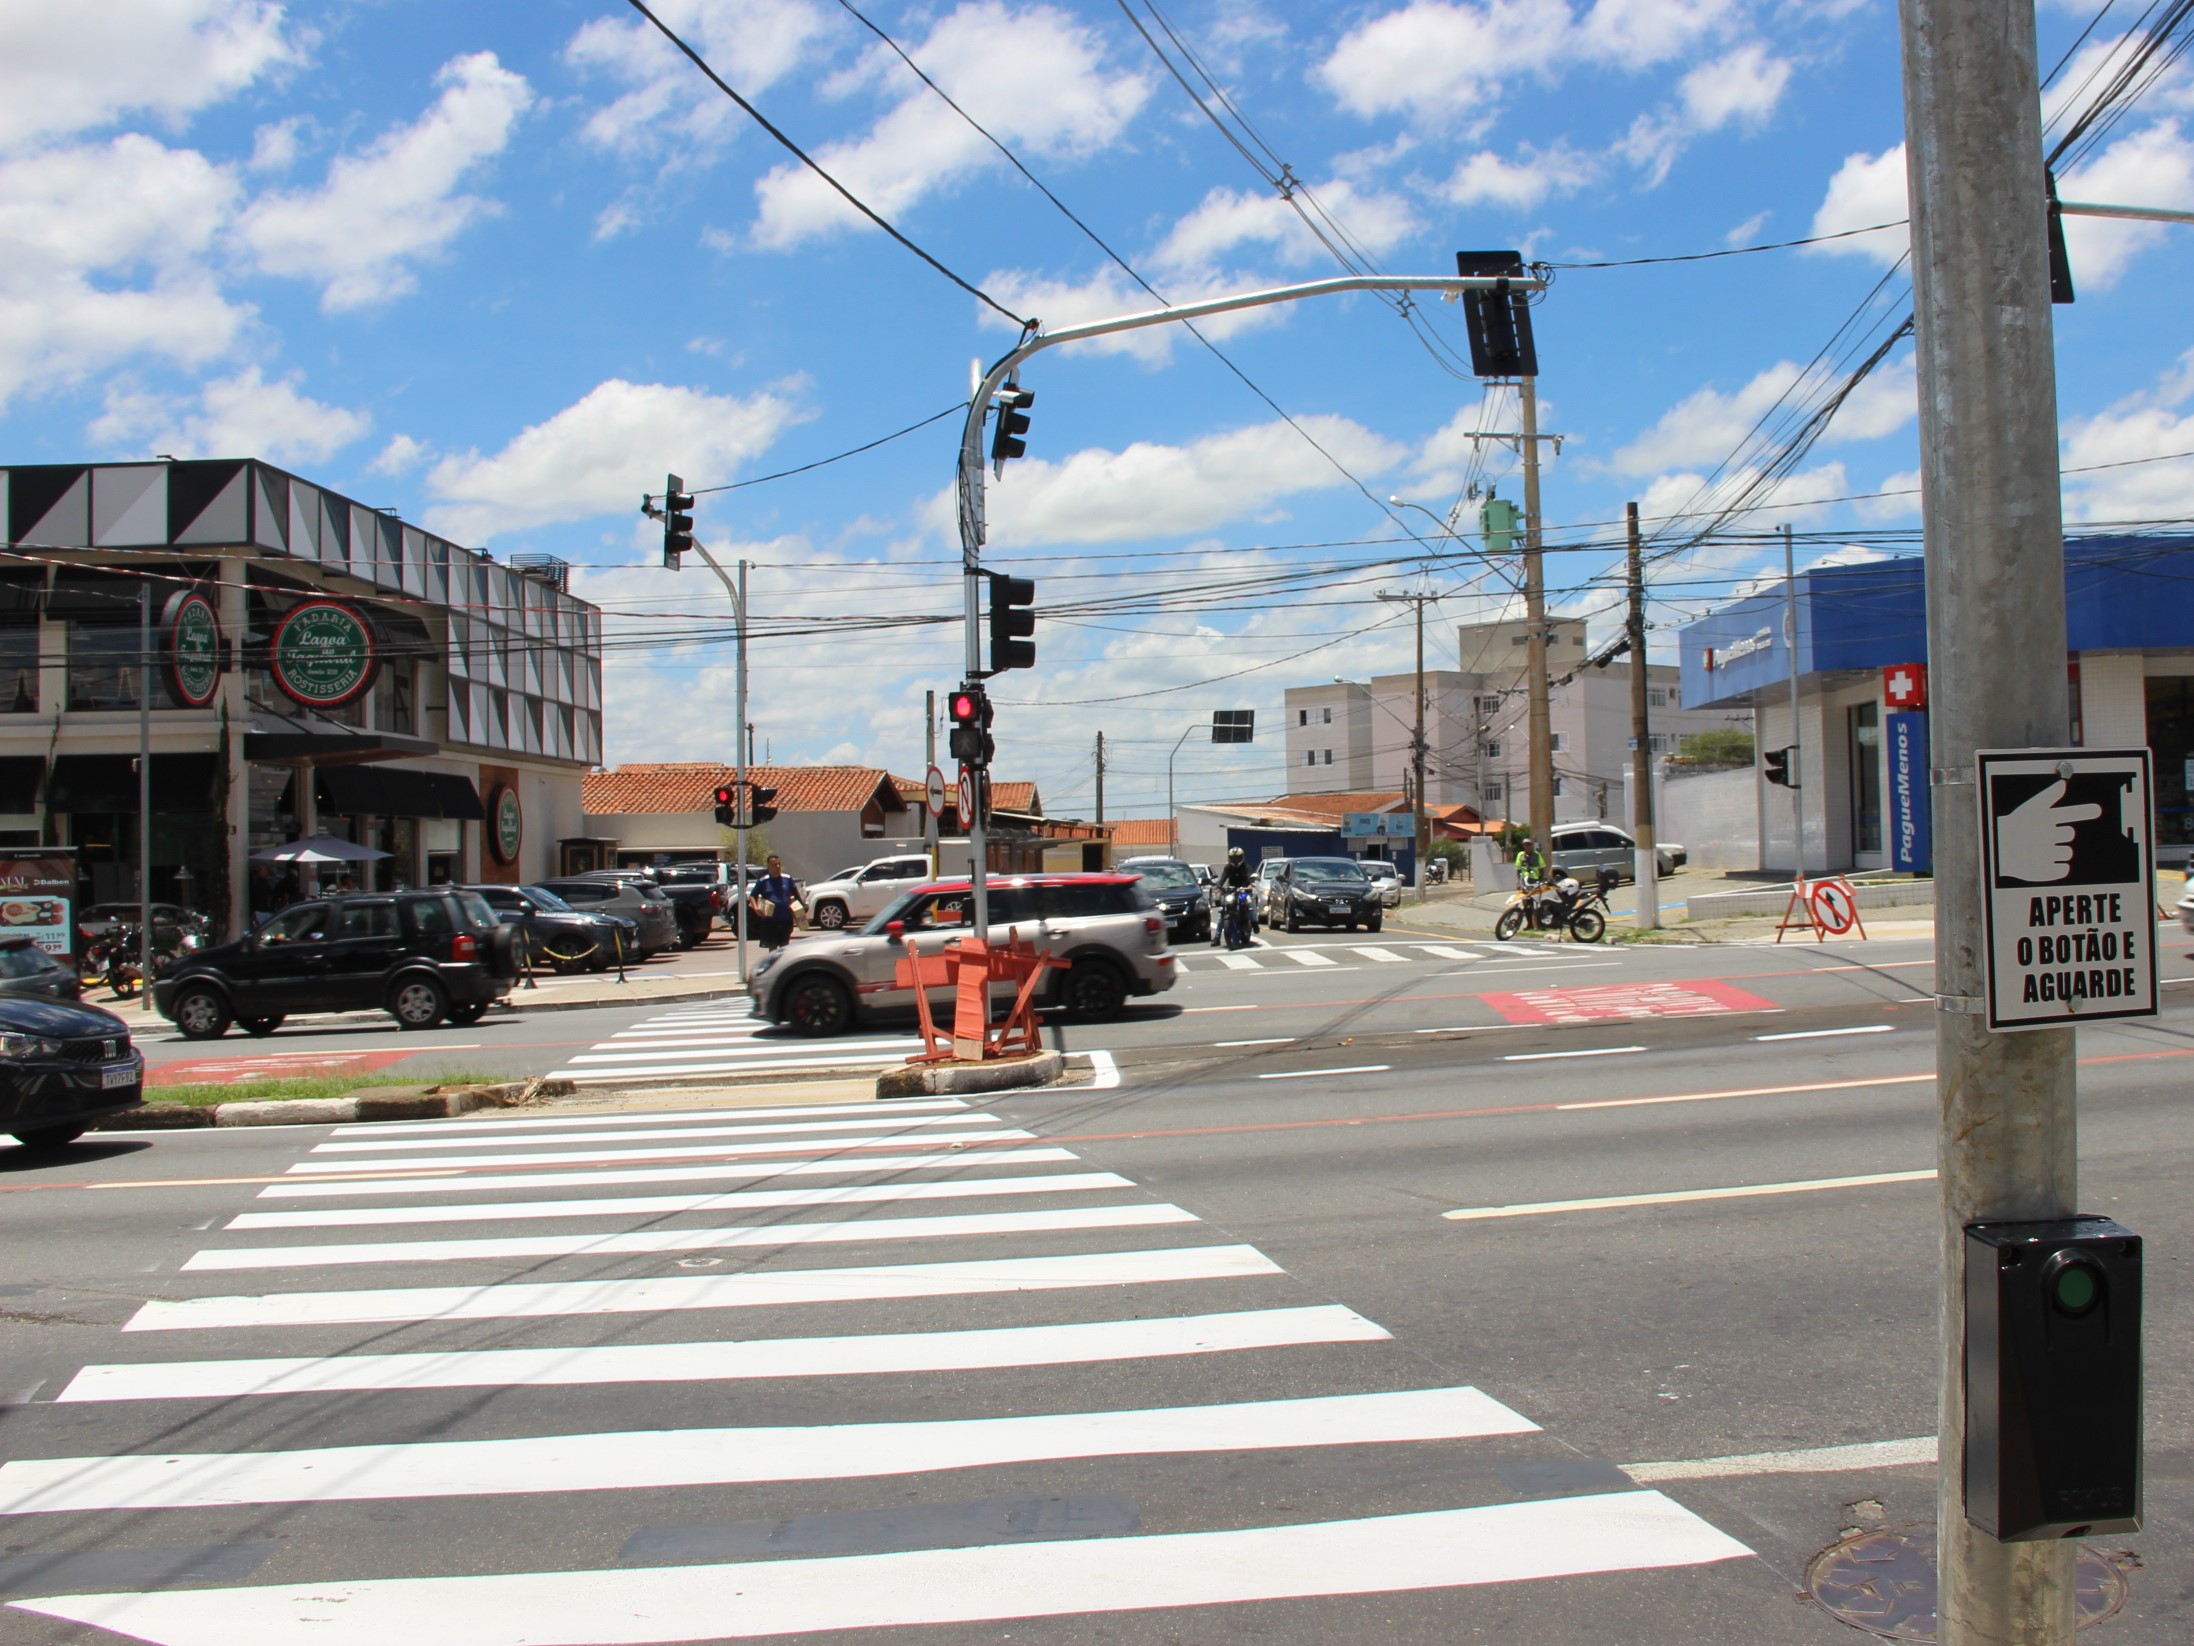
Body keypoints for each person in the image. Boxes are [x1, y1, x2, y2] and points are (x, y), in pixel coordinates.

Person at [749, 854, 806, 951]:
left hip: (786, 920)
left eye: (779, 864)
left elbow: (796, 896)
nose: (778, 867)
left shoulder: (787, 879)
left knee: (785, 948)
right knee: (773, 948)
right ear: (769, 866)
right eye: (774, 865)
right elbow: (752, 896)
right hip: (770, 921)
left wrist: (801, 910)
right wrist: (756, 908)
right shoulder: (763, 881)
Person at [1213, 846, 1255, 946]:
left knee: (1250, 906)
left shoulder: (1246, 867)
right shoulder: (1228, 867)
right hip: (1231, 892)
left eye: (1237, 857)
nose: (1235, 860)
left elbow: (1250, 877)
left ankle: (1255, 923)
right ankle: (1217, 937)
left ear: (1242, 857)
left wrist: (1250, 884)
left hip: (1244, 891)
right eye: (1233, 858)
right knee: (1223, 912)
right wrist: (1218, 886)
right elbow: (1223, 878)